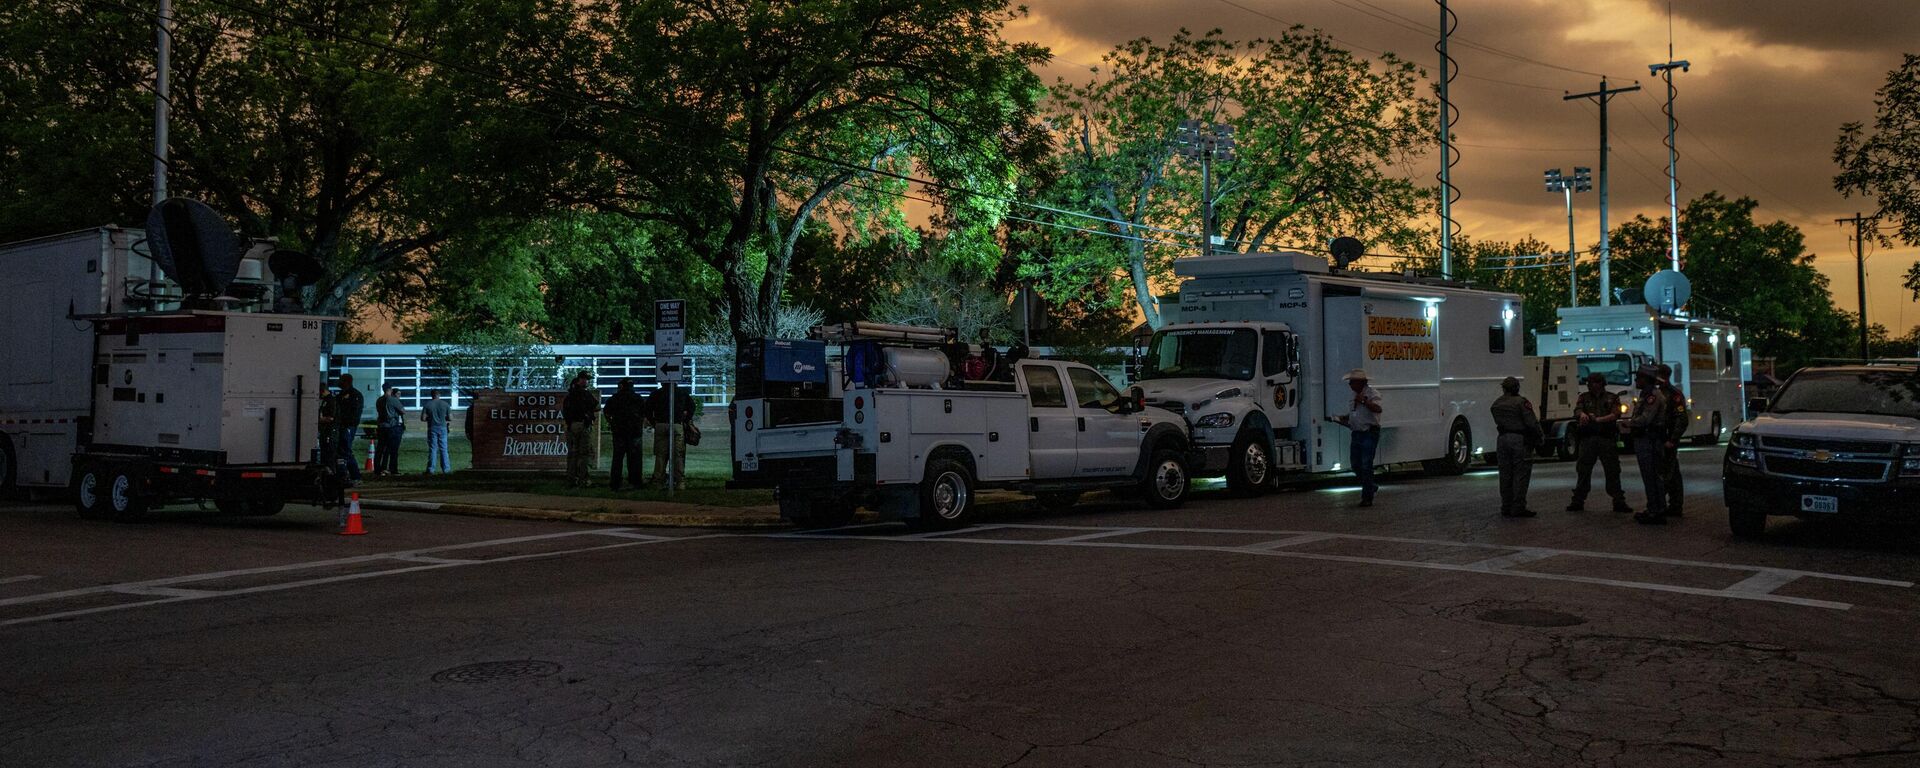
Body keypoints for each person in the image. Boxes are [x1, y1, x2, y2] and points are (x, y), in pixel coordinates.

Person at [1566, 372, 1631, 513]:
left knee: (1612, 470)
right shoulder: (1584, 398)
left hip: (1606, 438)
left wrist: (1598, 420)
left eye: (1593, 382)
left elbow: (1616, 414)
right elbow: (1577, 410)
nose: (1590, 385)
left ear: (1601, 383)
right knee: (1583, 470)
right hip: (1588, 438)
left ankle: (1618, 500)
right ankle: (1578, 500)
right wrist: (1582, 415)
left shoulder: (1612, 398)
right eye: (1589, 383)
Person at [1490, 376, 1542, 518]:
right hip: (1519, 439)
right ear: (1517, 387)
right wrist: (1539, 437)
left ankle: (1506, 506)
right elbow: (1531, 423)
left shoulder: (1497, 403)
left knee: (1505, 474)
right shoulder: (1521, 402)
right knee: (1521, 473)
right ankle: (1518, 506)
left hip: (1502, 439)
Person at [1625, 365, 1671, 524]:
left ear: (1646, 379)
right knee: (1650, 476)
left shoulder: (1652, 396)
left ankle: (1656, 511)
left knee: (1652, 476)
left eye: (1638, 377)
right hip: (1646, 439)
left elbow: (1646, 419)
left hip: (1650, 440)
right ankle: (1655, 508)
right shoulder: (1647, 395)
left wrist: (1629, 424)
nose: (1636, 380)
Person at [1330, 368, 1383, 507]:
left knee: (1366, 465)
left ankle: (1367, 497)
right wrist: (1343, 418)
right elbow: (1355, 414)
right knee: (1355, 465)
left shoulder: (1372, 393)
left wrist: (1364, 401)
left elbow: (1378, 409)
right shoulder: (1353, 395)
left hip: (1369, 433)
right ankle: (1370, 485)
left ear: (1361, 383)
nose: (1350, 385)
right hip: (1357, 433)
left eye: (1352, 382)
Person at [648, 381, 696, 488]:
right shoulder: (682, 393)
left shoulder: (656, 394)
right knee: (678, 454)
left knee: (660, 455)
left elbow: (647, 409)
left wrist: (654, 423)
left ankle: (658, 481)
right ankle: (680, 481)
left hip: (660, 424)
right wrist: (686, 419)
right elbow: (692, 407)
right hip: (676, 425)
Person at [1656, 363, 1689, 517]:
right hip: (1658, 438)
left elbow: (1681, 419)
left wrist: (1673, 439)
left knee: (1669, 473)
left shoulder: (1673, 394)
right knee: (1670, 472)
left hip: (1667, 438)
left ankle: (1673, 505)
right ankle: (1672, 504)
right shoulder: (1656, 392)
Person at [603, 378, 647, 491]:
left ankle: (615, 482)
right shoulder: (638, 399)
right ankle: (635, 481)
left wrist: (612, 423)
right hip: (634, 432)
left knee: (618, 458)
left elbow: (606, 412)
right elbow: (644, 413)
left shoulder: (615, 398)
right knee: (635, 459)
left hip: (619, 432)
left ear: (621, 386)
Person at [562, 371, 600, 488]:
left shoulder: (570, 395)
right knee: (584, 454)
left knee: (573, 454)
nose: (587, 381)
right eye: (586, 379)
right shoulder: (585, 394)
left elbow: (565, 412)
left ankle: (571, 480)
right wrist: (588, 413)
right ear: (580, 380)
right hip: (583, 425)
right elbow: (597, 406)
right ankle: (583, 480)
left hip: (572, 426)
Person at [332, 374, 364, 485]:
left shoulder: (355, 395)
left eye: (340, 380)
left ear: (347, 381)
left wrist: (346, 423)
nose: (338, 382)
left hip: (348, 426)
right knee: (340, 451)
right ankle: (343, 475)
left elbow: (353, 414)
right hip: (340, 426)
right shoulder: (341, 395)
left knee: (345, 450)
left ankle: (355, 476)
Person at [374, 385, 406, 476]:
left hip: (382, 427)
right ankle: (393, 469)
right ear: (390, 390)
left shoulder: (379, 400)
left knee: (380, 448)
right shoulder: (393, 400)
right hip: (392, 427)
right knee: (393, 449)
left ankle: (378, 469)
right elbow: (403, 411)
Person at [420, 390, 452, 475]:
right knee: (444, 448)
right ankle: (446, 469)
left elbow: (423, 418)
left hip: (432, 427)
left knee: (433, 449)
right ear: (439, 395)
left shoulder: (427, 405)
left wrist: (430, 418)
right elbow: (450, 418)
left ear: (432, 395)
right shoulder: (445, 404)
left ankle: (431, 469)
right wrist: (444, 418)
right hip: (443, 427)